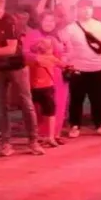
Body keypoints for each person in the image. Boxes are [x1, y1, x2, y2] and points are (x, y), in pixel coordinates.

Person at [0, 0, 44, 157]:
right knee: (1, 105)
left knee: (26, 103)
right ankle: (6, 143)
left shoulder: (10, 21)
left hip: (16, 66)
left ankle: (33, 141)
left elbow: (10, 49)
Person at [61, 0, 101, 137]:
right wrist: (68, 64)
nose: (86, 11)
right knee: (76, 99)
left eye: (89, 8)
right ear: (77, 10)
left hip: (98, 69)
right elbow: (63, 47)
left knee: (97, 99)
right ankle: (75, 125)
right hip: (78, 70)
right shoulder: (70, 28)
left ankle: (100, 124)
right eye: (83, 8)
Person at [26, 13, 66, 148]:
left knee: (56, 106)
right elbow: (25, 52)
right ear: (40, 21)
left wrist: (65, 61)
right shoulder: (32, 34)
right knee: (37, 108)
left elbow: (66, 51)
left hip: (56, 74)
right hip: (38, 75)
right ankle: (39, 136)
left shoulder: (59, 35)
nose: (49, 23)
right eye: (46, 20)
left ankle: (54, 134)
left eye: (52, 21)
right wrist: (39, 58)